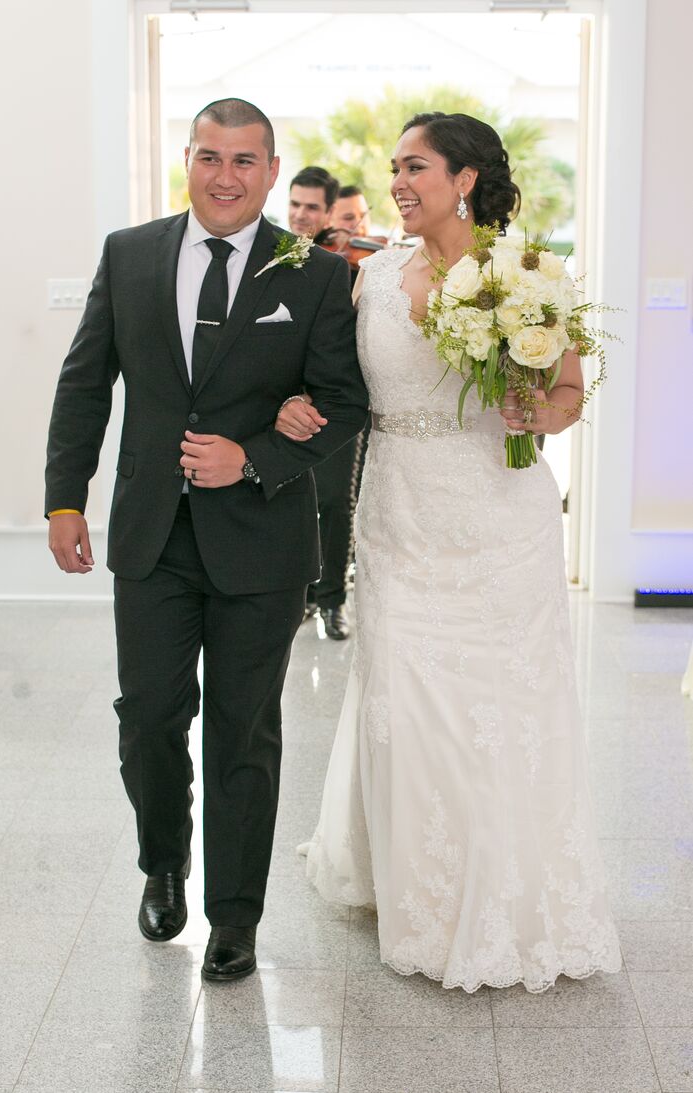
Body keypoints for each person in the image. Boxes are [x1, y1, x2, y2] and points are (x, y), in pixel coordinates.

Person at [277, 112, 621, 992]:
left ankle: (510, 888)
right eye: (392, 166)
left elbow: (569, 386)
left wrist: (539, 413)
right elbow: (325, 374)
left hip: (502, 517)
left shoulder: (532, 274)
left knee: (506, 702)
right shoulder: (372, 275)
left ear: (464, 178)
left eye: (415, 165)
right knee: (407, 695)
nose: (396, 180)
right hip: (399, 512)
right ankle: (420, 893)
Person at [45, 98, 367, 983]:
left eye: (245, 160)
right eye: (209, 156)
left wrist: (255, 456)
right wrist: (63, 498)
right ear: (186, 158)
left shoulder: (312, 272)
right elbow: (85, 383)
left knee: (243, 733)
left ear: (271, 171)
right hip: (150, 536)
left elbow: (342, 404)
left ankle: (235, 916)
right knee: (148, 717)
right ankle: (162, 862)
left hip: (260, 542)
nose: (225, 176)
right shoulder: (130, 253)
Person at [286, 167, 360, 640]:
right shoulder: (270, 258)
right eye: (295, 204)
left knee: (335, 503)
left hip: (334, 406)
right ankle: (300, 597)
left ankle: (333, 599)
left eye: (312, 207)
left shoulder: (354, 264)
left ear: (331, 212)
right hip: (282, 407)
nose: (300, 215)